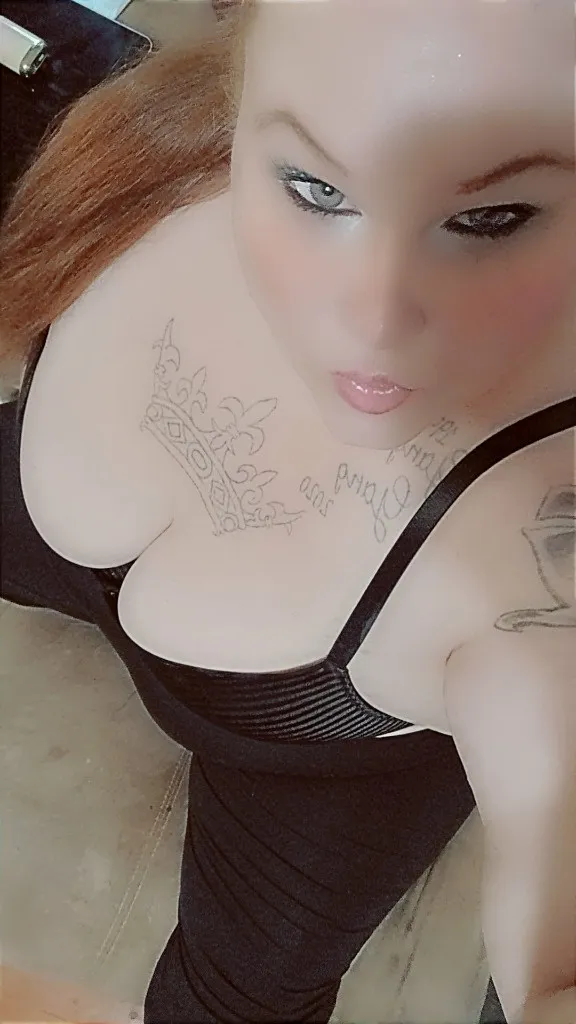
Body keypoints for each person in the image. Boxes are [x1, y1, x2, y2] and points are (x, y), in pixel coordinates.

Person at [1, 0, 575, 1021]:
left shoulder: (528, 555)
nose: (369, 317)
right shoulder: (136, 137)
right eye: (315, 187)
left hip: (311, 771)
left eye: (493, 218)